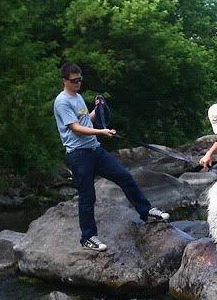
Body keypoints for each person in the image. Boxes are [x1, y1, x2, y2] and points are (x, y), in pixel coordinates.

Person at [53, 63, 169, 252]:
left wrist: (97, 109)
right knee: (87, 196)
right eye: (74, 81)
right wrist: (101, 131)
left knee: (124, 176)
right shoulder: (62, 101)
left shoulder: (78, 97)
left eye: (80, 79)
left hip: (95, 150)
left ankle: (146, 211)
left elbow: (85, 120)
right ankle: (88, 238)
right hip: (78, 155)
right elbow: (75, 128)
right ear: (65, 81)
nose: (78, 83)